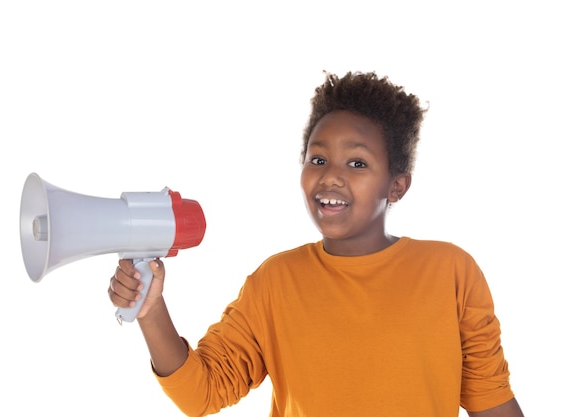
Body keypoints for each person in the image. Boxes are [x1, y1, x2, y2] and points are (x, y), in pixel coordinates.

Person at [108, 71, 525, 417]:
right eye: (318, 159)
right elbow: (201, 393)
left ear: (396, 186)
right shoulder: (275, 282)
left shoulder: (450, 270)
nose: (330, 177)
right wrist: (150, 309)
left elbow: (491, 400)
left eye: (357, 163)